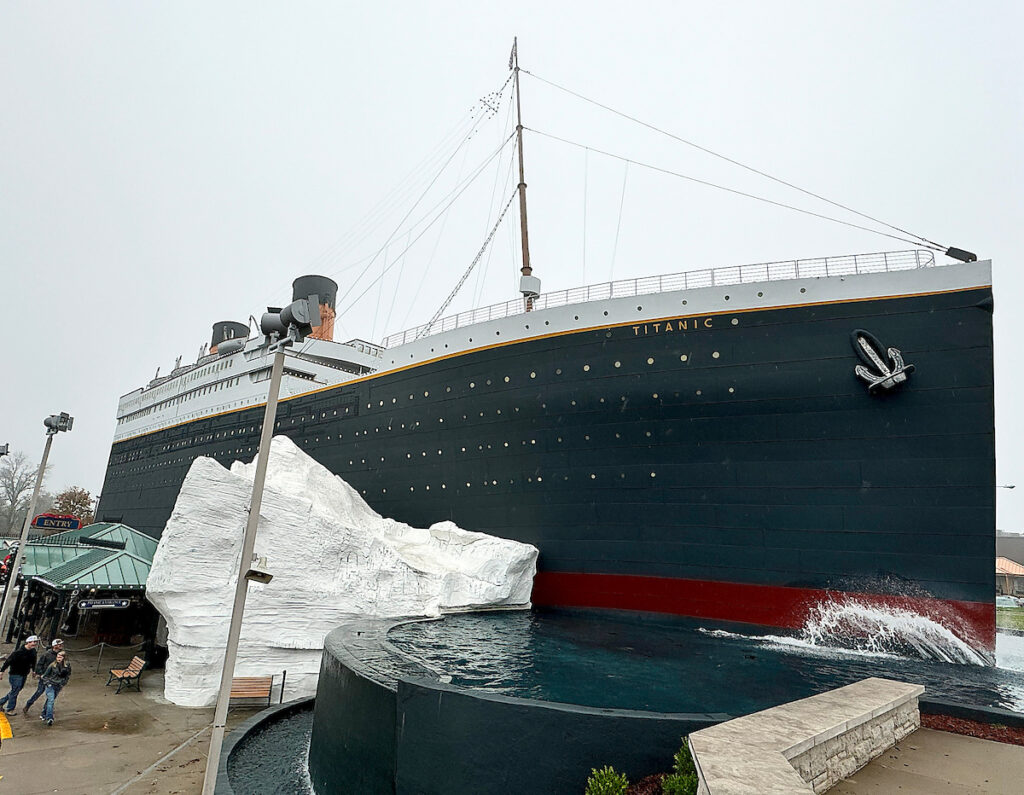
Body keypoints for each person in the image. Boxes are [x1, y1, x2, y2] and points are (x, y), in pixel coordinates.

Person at [0, 635, 39, 714]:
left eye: (35, 642)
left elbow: (34, 662)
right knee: (15, 691)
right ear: (28, 642)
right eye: (33, 642)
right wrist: (2, 671)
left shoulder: (33, 652)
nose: (34, 644)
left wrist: (34, 670)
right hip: (15, 674)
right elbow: (8, 661)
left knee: (15, 691)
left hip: (24, 674)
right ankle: (10, 709)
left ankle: (1, 702)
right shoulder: (18, 653)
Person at [23, 638, 63, 714]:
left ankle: (46, 710)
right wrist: (40, 674)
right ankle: (29, 704)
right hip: (46, 677)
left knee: (52, 695)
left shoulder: (62, 655)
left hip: (56, 678)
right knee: (39, 692)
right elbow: (39, 664)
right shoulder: (47, 655)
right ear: (54, 646)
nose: (61, 645)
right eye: (59, 644)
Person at [39, 649, 70, 726]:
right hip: (51, 684)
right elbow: (44, 676)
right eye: (57, 657)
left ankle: (44, 713)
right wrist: (48, 683)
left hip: (58, 685)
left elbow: (67, 675)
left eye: (60, 657)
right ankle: (49, 718)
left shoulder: (67, 666)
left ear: (64, 658)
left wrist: (63, 683)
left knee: (50, 700)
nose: (58, 658)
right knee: (51, 700)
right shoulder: (52, 666)